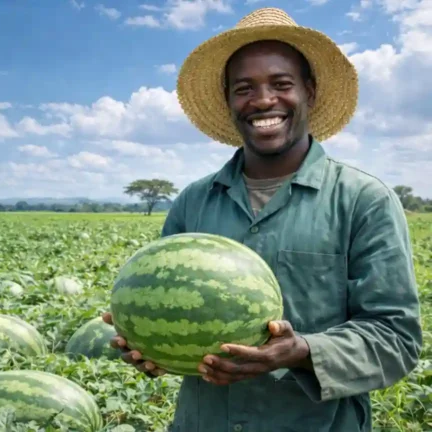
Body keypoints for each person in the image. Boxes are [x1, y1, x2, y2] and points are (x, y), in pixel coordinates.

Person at [102, 7, 422, 432]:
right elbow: (168, 328)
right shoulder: (194, 202)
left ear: (308, 91)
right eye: (244, 88)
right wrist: (152, 349)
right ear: (229, 100)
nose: (264, 100)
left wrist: (303, 351)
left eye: (281, 84)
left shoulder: (363, 201)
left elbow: (396, 340)